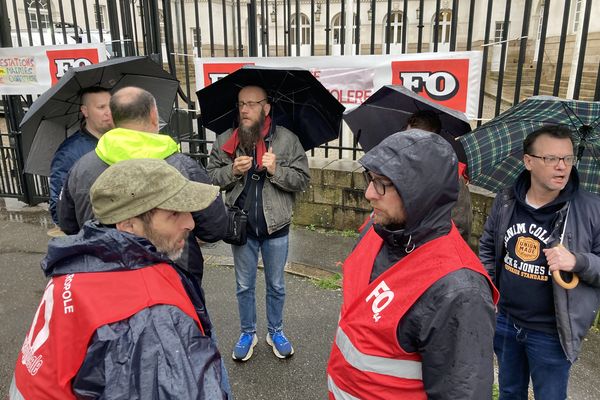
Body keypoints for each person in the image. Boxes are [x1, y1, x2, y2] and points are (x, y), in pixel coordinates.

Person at [11, 158, 229, 399]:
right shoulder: (150, 315)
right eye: (174, 213)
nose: (190, 222)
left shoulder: (82, 260)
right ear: (128, 225)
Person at [327, 130, 499, 399]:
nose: (369, 193)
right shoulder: (379, 229)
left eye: (382, 183)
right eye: (370, 179)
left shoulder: (459, 292)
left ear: (421, 192)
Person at [57, 86, 227, 287]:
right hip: (174, 277)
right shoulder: (180, 165)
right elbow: (215, 227)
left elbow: (68, 224)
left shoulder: (81, 167)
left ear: (113, 119)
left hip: (104, 276)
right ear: (154, 116)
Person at [479, 125, 600, 400]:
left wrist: (577, 261)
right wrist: (489, 293)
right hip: (506, 320)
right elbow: (488, 245)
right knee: (510, 392)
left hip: (552, 332)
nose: (562, 167)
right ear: (528, 161)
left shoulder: (591, 210)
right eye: (551, 159)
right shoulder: (507, 200)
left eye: (568, 159)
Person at [207, 85, 310, 361]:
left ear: (266, 108)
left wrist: (277, 170)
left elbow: (302, 179)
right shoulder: (227, 140)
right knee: (244, 285)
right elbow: (210, 177)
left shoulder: (287, 140)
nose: (244, 109)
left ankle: (275, 331)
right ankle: (247, 332)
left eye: (252, 104)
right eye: (241, 103)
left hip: (276, 228)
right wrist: (231, 171)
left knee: (276, 285)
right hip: (242, 229)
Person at [405, 109, 473, 242]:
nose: (407, 145)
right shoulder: (400, 171)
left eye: (414, 140)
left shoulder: (452, 178)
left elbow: (461, 228)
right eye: (406, 139)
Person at [49, 86, 113, 225]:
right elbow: (59, 210)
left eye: (111, 105)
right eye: (101, 107)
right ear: (85, 111)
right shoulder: (68, 153)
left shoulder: (122, 140)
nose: (109, 112)